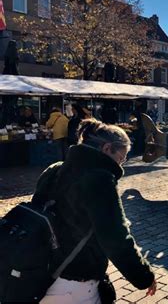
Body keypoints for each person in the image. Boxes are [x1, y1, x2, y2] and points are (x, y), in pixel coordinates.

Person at [36, 119, 156, 303]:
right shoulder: (100, 179)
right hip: (75, 280)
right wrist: (144, 277)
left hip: (42, 272)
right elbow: (115, 238)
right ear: (107, 148)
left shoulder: (55, 170)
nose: (121, 165)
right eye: (121, 158)